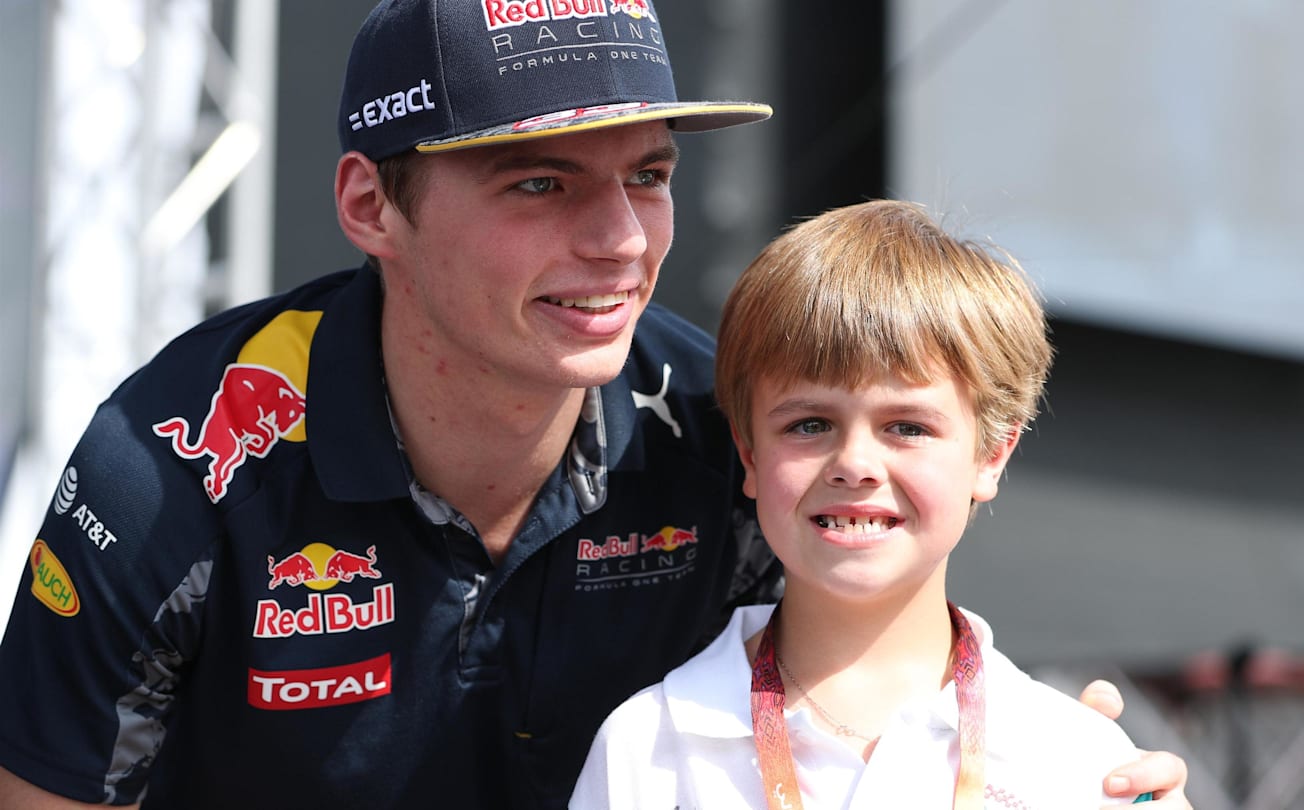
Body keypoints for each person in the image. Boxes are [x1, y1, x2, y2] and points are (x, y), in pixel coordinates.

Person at [0, 1, 1189, 808]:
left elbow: (877, 658)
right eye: (540, 181)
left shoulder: (715, 431)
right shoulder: (169, 467)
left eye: (652, 177)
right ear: (371, 206)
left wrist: (1057, 758)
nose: (621, 241)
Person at [571, 200, 1163, 808]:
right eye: (809, 425)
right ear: (749, 455)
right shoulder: (648, 748)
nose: (854, 465)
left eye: (906, 427)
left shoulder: (1075, 757)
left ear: (991, 456)